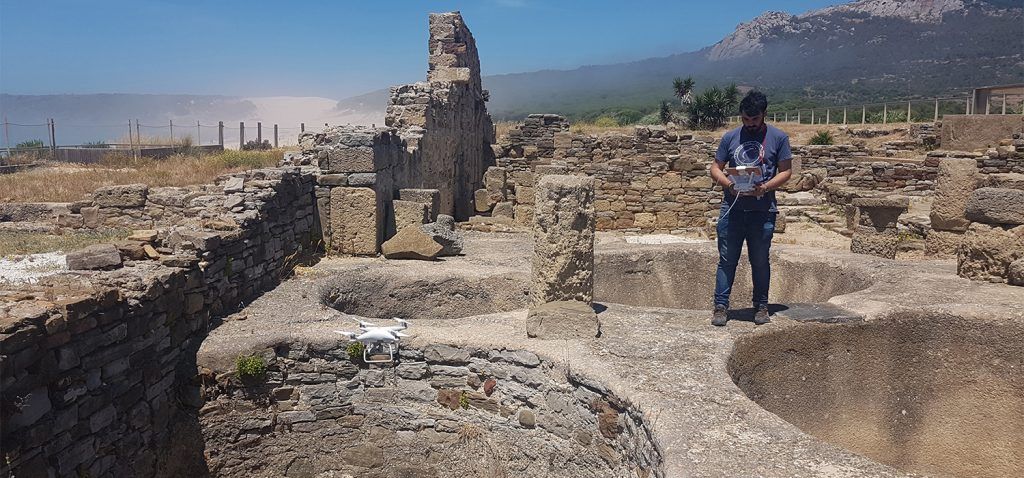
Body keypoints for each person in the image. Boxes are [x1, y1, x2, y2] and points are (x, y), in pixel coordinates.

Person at [709, 91, 792, 326]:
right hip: (732, 208)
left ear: (764, 114)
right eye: (745, 119)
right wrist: (728, 184)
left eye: (754, 119)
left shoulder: (779, 138)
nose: (750, 124)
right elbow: (715, 167)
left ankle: (761, 306)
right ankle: (721, 307)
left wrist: (765, 187)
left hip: (762, 210)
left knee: (760, 260)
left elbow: (786, 171)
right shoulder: (730, 137)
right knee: (727, 260)